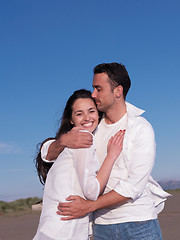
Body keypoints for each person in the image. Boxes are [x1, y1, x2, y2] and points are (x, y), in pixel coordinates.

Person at [43, 63, 170, 240]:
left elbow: (133, 187)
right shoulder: (92, 125)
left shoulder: (141, 128)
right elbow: (47, 152)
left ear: (118, 91)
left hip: (138, 223)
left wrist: (88, 206)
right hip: (101, 226)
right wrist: (63, 141)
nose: (93, 94)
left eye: (98, 88)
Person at [33, 89, 125, 240]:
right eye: (79, 113)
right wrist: (112, 155)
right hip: (65, 232)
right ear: (71, 119)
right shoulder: (83, 139)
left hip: (51, 230)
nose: (87, 118)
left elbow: (46, 151)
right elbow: (91, 191)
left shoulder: (68, 145)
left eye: (91, 111)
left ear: (98, 113)